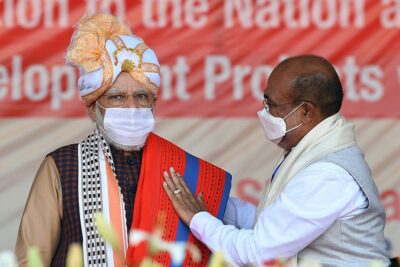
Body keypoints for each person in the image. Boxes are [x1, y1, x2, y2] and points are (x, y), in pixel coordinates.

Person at [15, 13, 231, 267]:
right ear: (93, 107)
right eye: (117, 97)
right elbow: (30, 260)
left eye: (141, 96)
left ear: (154, 104)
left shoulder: (180, 170)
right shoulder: (61, 167)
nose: (131, 107)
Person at [163, 55, 390, 266]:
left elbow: (260, 253)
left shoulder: (327, 174)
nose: (265, 113)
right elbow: (274, 224)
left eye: (271, 104)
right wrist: (214, 202)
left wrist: (197, 219)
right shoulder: (314, 150)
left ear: (306, 112)